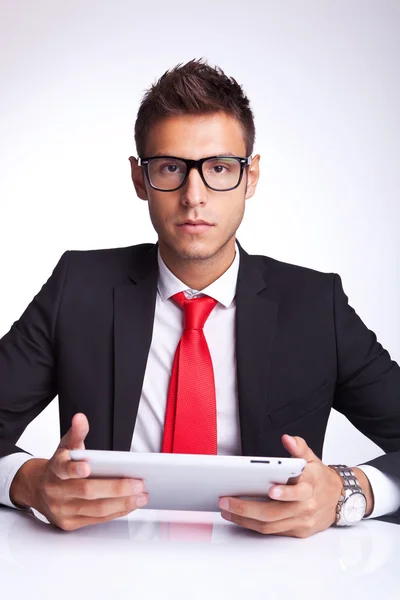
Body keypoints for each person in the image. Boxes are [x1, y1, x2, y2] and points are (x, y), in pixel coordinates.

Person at [1, 59, 399, 537]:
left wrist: (348, 491)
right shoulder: (78, 287)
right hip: (103, 574)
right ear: (138, 178)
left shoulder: (317, 305)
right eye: (170, 167)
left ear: (250, 177)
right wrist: (28, 482)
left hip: (272, 576)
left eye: (219, 168)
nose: (194, 195)